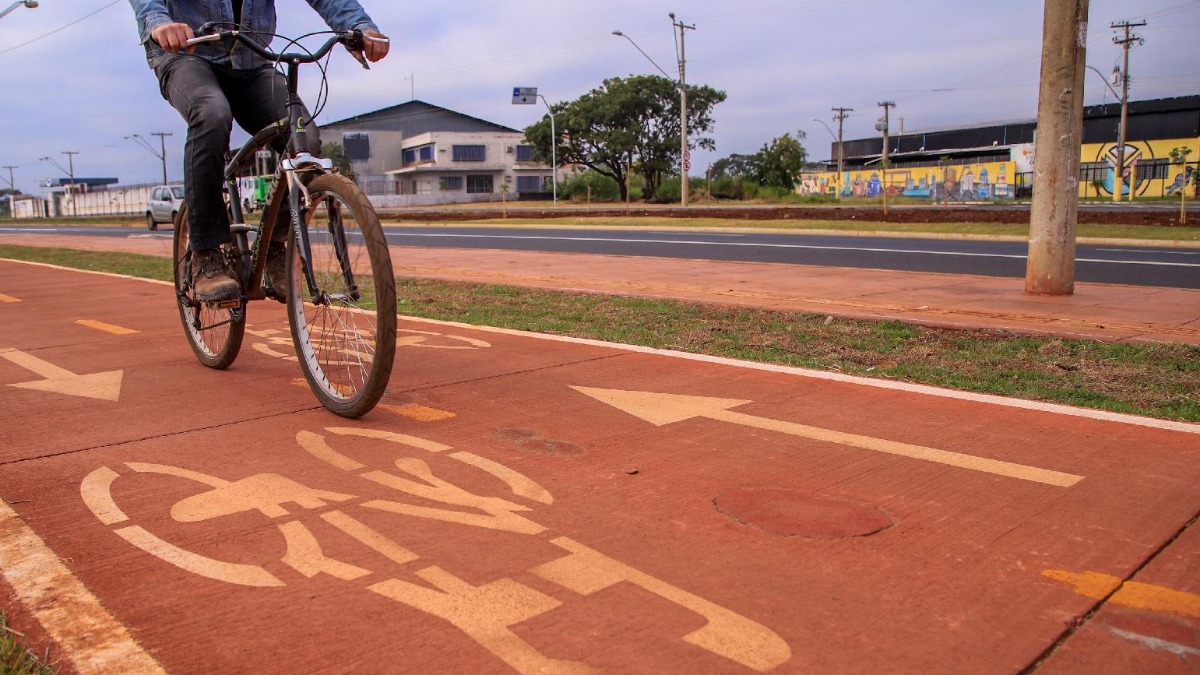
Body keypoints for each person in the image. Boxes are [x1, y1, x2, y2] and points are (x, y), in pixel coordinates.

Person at [129, 1, 389, 301]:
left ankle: (274, 246)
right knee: (211, 113)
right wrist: (158, 22)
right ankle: (207, 253)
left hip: (251, 61)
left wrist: (359, 27)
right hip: (188, 54)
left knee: (304, 137)